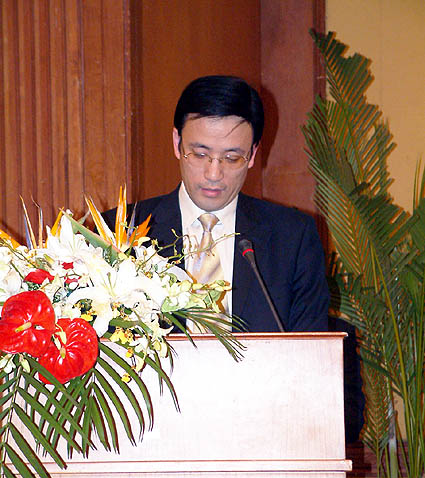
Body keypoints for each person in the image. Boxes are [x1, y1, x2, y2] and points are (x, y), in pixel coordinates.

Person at [104, 75, 329, 333]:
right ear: (177, 143)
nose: (213, 174)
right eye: (200, 154)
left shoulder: (293, 238)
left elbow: (312, 347)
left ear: (253, 154)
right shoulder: (119, 232)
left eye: (232, 158)